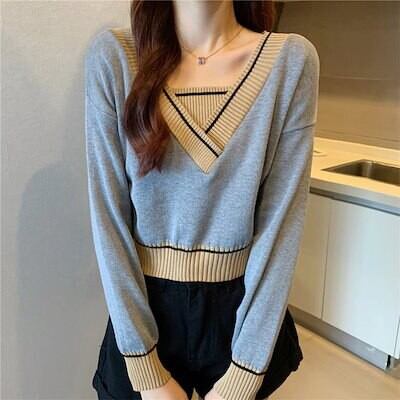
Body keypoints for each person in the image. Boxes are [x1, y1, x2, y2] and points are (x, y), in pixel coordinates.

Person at [84, 1, 320, 399]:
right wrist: (146, 370)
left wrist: (244, 373)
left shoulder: (290, 62)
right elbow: (108, 220)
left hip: (241, 314)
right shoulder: (115, 58)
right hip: (142, 311)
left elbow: (281, 229)